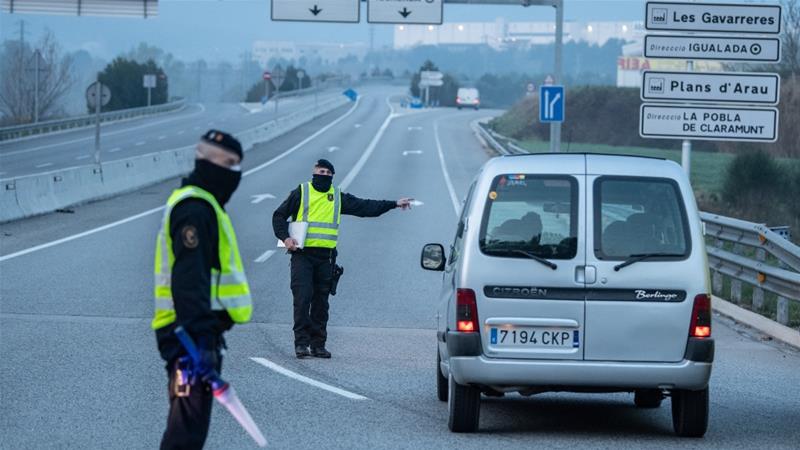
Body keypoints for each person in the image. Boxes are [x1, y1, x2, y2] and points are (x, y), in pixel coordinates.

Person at [153, 130, 252, 449]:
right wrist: (197, 346)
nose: (235, 174)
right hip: (188, 339)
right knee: (186, 433)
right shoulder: (195, 208)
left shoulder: (204, 204)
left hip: (194, 335)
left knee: (189, 429)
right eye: (231, 165)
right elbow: (188, 278)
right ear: (210, 162)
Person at [272, 159, 411, 359]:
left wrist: (394, 204)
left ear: (332, 176)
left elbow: (365, 207)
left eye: (328, 173)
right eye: (321, 171)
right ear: (314, 172)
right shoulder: (301, 192)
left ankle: (318, 345)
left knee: (321, 303)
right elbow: (278, 216)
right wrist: (285, 238)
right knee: (302, 299)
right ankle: (301, 344)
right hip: (302, 256)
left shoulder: (336, 197)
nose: (325, 175)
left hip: (326, 258)